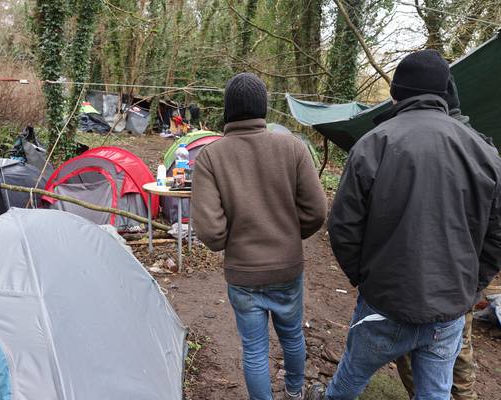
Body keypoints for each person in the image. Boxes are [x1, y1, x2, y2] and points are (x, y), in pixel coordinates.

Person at [305, 50, 501, 400]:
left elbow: (343, 227)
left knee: (348, 380)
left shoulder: (372, 145)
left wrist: (365, 279)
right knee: (435, 394)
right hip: (448, 310)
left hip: (384, 303)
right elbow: (496, 235)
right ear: (445, 93)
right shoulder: (484, 152)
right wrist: (471, 287)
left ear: (397, 94)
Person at [191, 72, 327, 400]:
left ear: (228, 109)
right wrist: (290, 235)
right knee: (293, 337)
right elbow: (317, 212)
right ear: (263, 108)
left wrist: (230, 241)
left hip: (243, 274)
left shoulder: (210, 157)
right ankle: (295, 393)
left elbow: (210, 232)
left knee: (254, 350)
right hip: (287, 268)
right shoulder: (292, 147)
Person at [394, 75, 488, 400]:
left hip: (419, 278)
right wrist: (477, 279)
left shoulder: (413, 143)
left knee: (410, 349)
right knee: (459, 348)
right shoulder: (484, 148)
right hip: (462, 280)